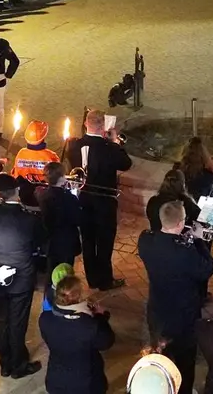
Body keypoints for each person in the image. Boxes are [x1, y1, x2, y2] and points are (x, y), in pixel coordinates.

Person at [138, 200, 213, 394]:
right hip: (183, 316)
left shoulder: (145, 241)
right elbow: (207, 268)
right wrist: (198, 239)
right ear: (181, 224)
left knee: (161, 356)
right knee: (185, 362)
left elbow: (161, 240)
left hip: (157, 311)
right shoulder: (184, 253)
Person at [0, 174, 44, 378]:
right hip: (22, 279)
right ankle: (18, 365)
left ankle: (5, 362)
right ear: (17, 191)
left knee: (1, 319)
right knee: (18, 323)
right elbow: (40, 241)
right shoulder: (28, 218)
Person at [67, 109, 131, 290]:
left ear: (86, 124)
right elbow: (126, 163)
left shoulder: (73, 145)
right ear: (103, 126)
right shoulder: (109, 147)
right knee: (104, 241)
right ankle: (105, 280)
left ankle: (92, 279)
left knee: (87, 239)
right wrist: (115, 142)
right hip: (105, 203)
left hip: (83, 200)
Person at [39, 275, 116, 394]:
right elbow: (107, 342)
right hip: (86, 384)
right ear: (79, 297)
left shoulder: (45, 319)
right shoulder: (89, 325)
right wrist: (100, 317)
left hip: (56, 381)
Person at [39, 162, 83, 275]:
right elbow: (78, 219)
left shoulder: (43, 195)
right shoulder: (69, 198)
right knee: (66, 273)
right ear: (62, 178)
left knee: (52, 271)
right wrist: (74, 196)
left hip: (51, 243)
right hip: (67, 242)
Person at [12, 120, 58, 206]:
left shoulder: (21, 153)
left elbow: (15, 175)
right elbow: (58, 179)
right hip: (45, 198)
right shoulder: (51, 156)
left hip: (23, 197)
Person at [146, 168, 200, 232]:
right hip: (176, 237)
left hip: (155, 235)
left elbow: (150, 217)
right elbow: (199, 216)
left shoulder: (153, 200)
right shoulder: (186, 203)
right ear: (182, 184)